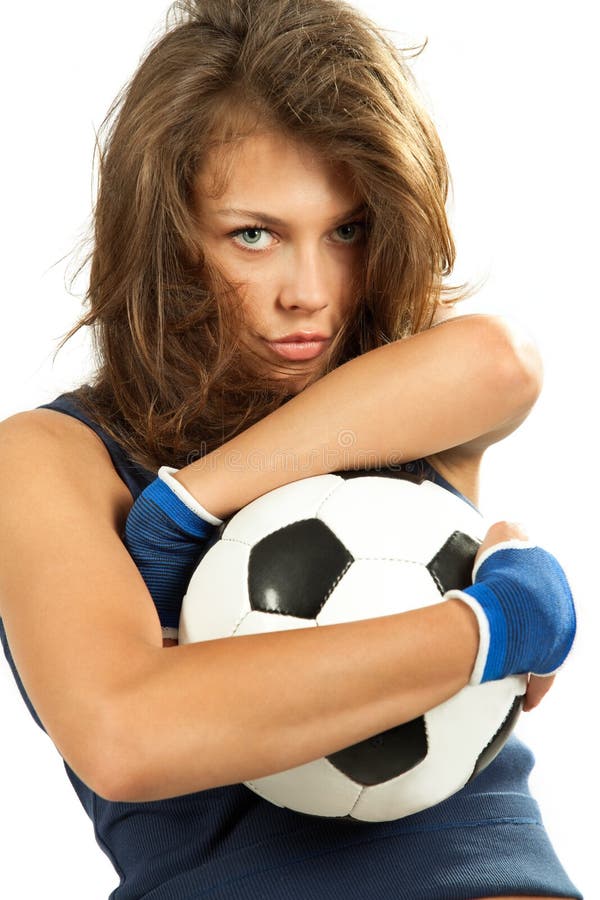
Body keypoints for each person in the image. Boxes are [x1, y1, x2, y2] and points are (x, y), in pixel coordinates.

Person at [0, 0, 581, 897]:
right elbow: (128, 737)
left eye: (345, 231)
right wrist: (497, 628)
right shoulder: (53, 458)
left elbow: (499, 362)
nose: (309, 293)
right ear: (165, 241)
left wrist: (186, 505)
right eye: (254, 235)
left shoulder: (399, 401)